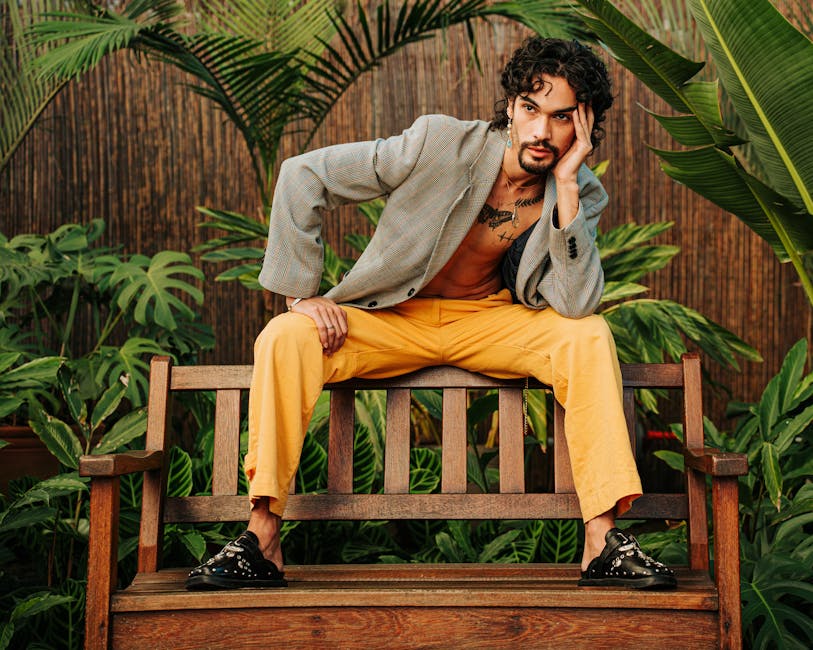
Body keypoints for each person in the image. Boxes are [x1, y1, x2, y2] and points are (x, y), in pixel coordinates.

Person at [187, 37, 676, 591]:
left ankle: (600, 543)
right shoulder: (440, 142)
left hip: (488, 322)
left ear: (583, 126)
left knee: (587, 336)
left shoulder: (579, 192)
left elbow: (578, 301)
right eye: (531, 110)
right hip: (393, 319)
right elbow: (304, 174)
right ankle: (262, 536)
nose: (542, 132)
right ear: (512, 107)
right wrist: (301, 292)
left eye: (562, 117)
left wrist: (565, 185)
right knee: (285, 337)